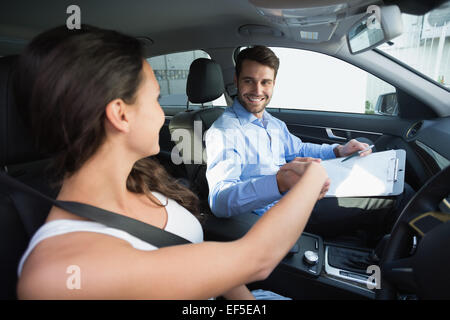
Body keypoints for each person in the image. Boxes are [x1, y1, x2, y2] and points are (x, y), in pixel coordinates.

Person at [15, 26, 329, 299]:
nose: (161, 114)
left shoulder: (142, 179)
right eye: (156, 98)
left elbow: (201, 263)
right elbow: (256, 260)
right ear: (120, 115)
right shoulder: (57, 273)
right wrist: (310, 179)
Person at [205, 46, 413, 243]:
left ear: (274, 83)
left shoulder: (271, 122)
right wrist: (279, 182)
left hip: (300, 194)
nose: (257, 90)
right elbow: (220, 201)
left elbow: (298, 149)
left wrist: (338, 150)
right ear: (236, 80)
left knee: (369, 160)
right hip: (281, 215)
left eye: (265, 82)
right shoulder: (225, 132)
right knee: (398, 194)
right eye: (249, 81)